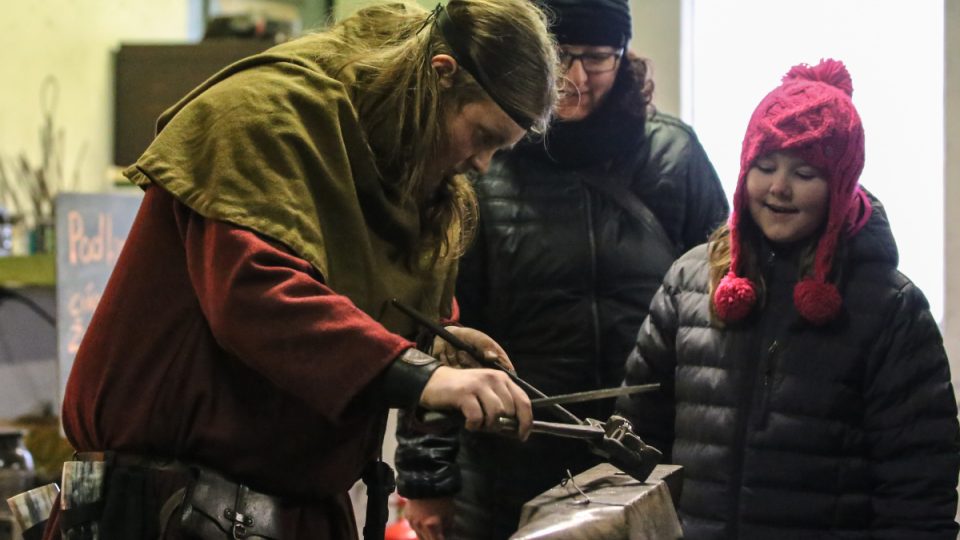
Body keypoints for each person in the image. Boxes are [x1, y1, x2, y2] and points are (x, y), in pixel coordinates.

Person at [40, 2, 560, 539]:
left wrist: (437, 344)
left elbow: (366, 304)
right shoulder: (264, 117)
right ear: (442, 75)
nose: (482, 164)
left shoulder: (406, 169)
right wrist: (420, 375)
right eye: (484, 136)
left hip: (297, 511)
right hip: (166, 513)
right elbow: (257, 296)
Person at [394, 0, 729, 537]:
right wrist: (426, 479)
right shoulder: (482, 160)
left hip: (642, 462)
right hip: (505, 465)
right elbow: (436, 330)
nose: (576, 78)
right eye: (561, 55)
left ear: (625, 56)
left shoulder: (674, 155)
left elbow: (721, 306)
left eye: (599, 57)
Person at [617, 58, 960, 539]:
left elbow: (918, 493)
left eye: (804, 172)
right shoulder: (689, 280)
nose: (779, 187)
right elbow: (634, 440)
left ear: (840, 188)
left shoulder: (891, 308)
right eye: (765, 165)